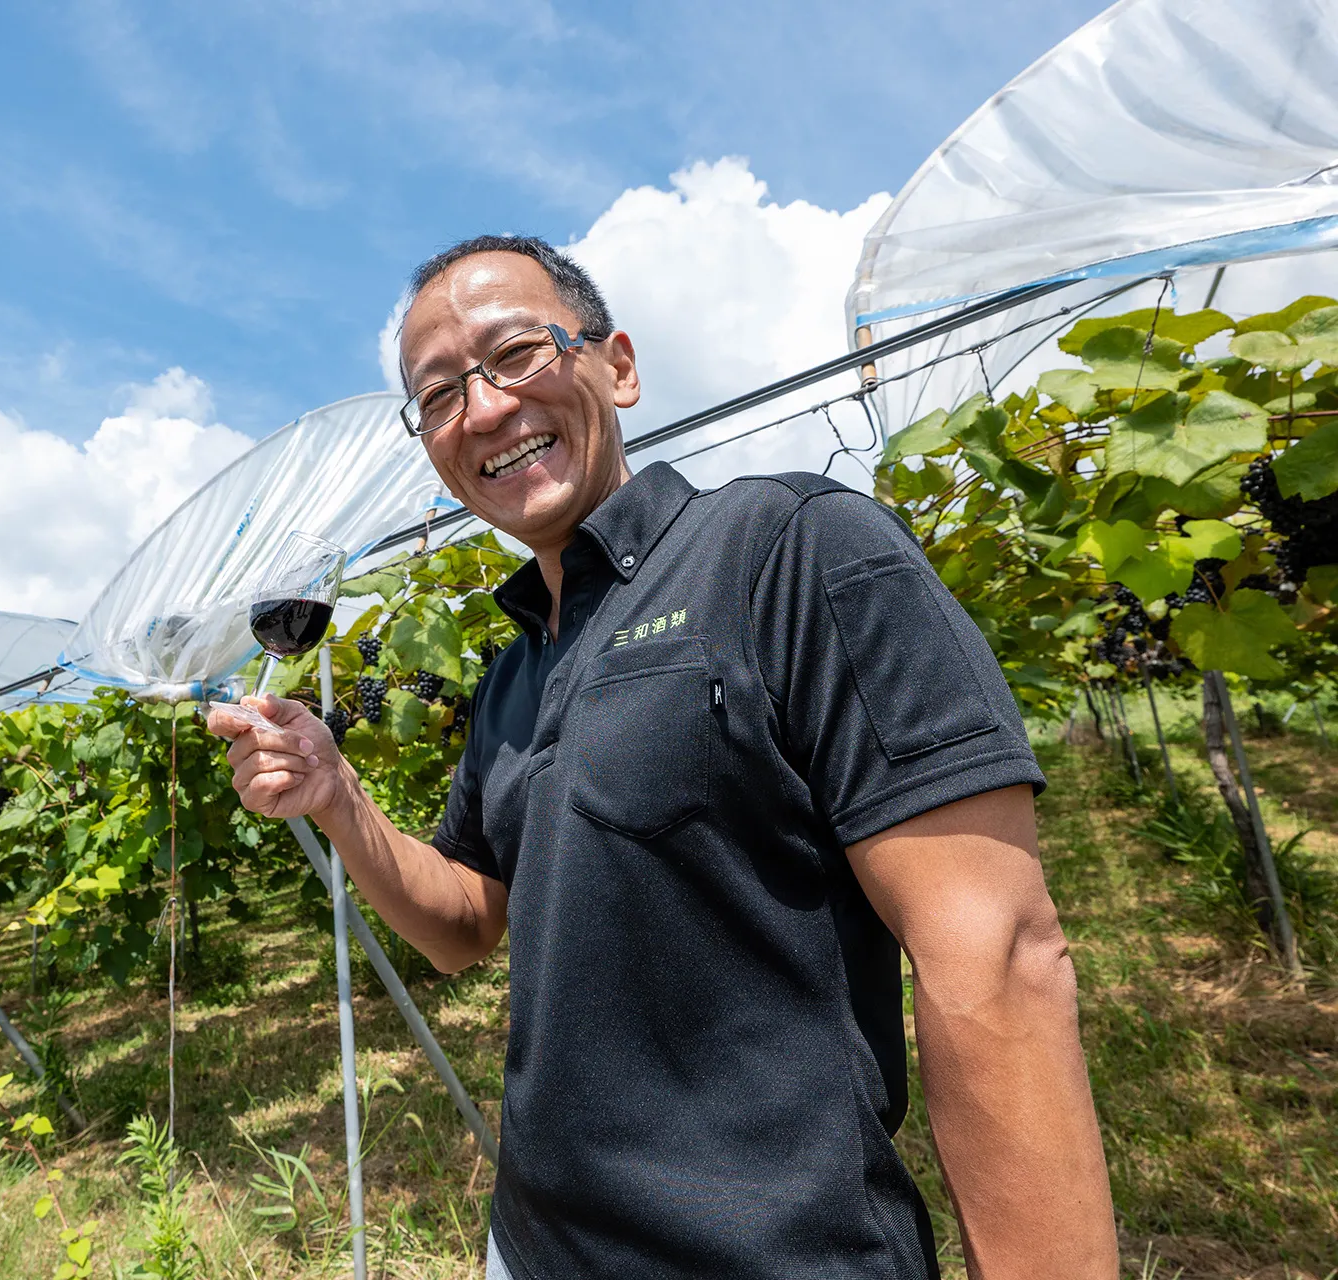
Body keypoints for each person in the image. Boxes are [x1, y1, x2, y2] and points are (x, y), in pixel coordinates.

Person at [209, 236, 1115, 1279]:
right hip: (534, 1245)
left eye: (515, 353)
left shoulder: (788, 546)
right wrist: (336, 793)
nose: (487, 407)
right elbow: (464, 920)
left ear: (619, 366)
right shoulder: (514, 674)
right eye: (441, 395)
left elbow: (997, 958)